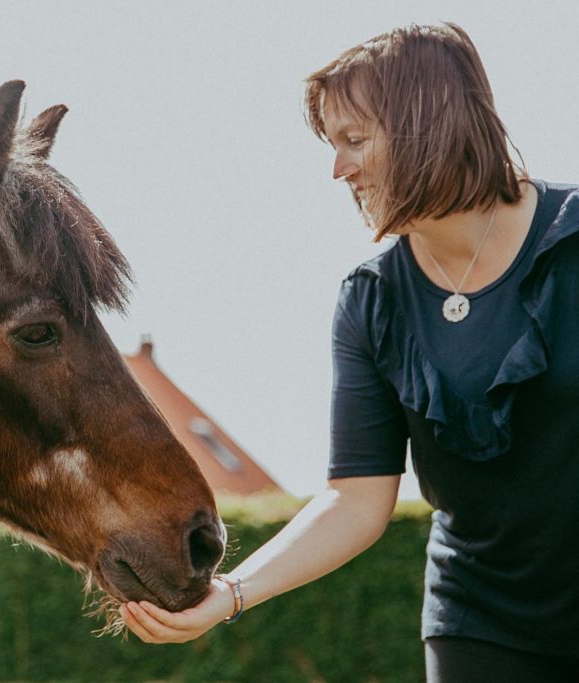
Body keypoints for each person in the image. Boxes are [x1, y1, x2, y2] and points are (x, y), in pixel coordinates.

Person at [120, 23, 579, 681]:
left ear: (431, 125)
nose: (339, 169)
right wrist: (232, 593)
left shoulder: (572, 241)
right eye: (333, 146)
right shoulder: (372, 302)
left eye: (355, 141)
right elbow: (356, 498)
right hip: (482, 628)